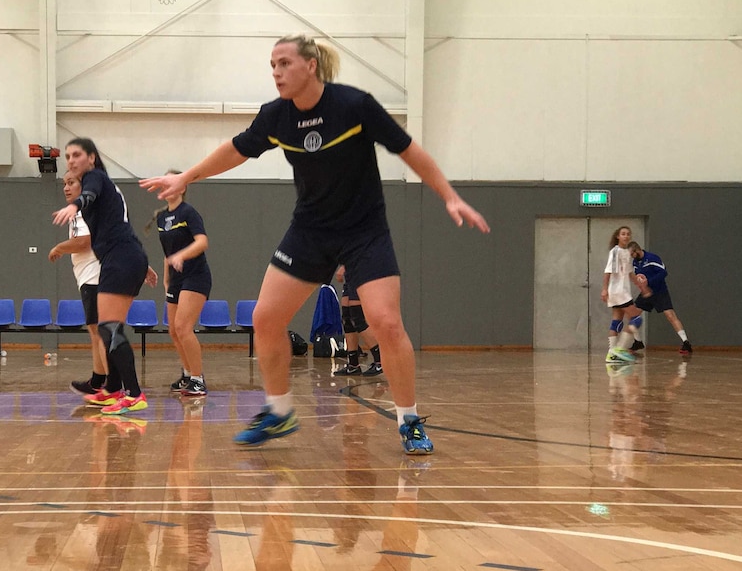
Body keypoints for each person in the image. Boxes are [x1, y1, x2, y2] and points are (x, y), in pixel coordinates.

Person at [140, 34, 490, 455]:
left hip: (364, 231)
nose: (276, 72)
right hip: (309, 231)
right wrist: (186, 177)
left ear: (311, 66)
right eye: (272, 64)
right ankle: (279, 410)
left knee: (387, 322)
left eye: (284, 63)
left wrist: (449, 194)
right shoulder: (276, 116)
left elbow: (409, 150)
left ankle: (409, 420)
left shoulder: (354, 105)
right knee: (266, 318)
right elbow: (236, 149)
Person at [52, 137, 158, 415]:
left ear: (92, 158)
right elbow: (118, 227)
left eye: (77, 155)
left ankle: (133, 394)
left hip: (122, 260)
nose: (71, 160)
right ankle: (111, 390)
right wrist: (141, 265)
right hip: (124, 258)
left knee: (109, 328)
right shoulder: (105, 187)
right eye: (67, 156)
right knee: (105, 328)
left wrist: (75, 205)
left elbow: (90, 193)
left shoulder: (95, 179)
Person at [145, 171, 212, 396]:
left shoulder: (189, 213)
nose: (165, 185)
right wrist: (166, 279)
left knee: (184, 327)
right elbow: (168, 254)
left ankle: (198, 379)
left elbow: (202, 242)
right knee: (173, 330)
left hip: (196, 276)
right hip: (176, 279)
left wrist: (182, 255)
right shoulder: (163, 218)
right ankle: (187, 374)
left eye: (170, 181)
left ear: (181, 187)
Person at [49, 171, 109, 396]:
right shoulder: (80, 212)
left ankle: (111, 385)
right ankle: (98, 379)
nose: (66, 187)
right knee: (95, 331)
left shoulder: (82, 210)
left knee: (100, 332)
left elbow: (84, 241)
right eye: (64, 183)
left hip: (95, 276)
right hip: (87, 277)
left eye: (71, 183)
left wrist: (59, 248)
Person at [626, 241, 692, 355]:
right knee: (632, 314)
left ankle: (686, 342)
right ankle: (638, 341)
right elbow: (638, 277)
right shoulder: (636, 263)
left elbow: (663, 272)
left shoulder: (652, 258)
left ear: (637, 250)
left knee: (670, 315)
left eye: (632, 254)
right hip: (646, 292)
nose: (631, 257)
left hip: (659, 291)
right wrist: (642, 285)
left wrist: (649, 281)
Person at [332, 265, 383, 377]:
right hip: (352, 274)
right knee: (347, 319)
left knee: (358, 319)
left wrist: (344, 266)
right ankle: (353, 364)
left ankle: (380, 360)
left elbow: (362, 250)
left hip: (361, 271)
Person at [601, 226, 639, 363]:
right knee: (636, 318)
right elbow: (608, 272)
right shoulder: (615, 252)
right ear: (618, 236)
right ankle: (620, 349)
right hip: (618, 291)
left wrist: (642, 287)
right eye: (623, 234)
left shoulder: (626, 253)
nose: (626, 236)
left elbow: (630, 273)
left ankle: (611, 353)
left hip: (623, 291)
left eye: (628, 234)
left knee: (616, 322)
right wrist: (604, 289)